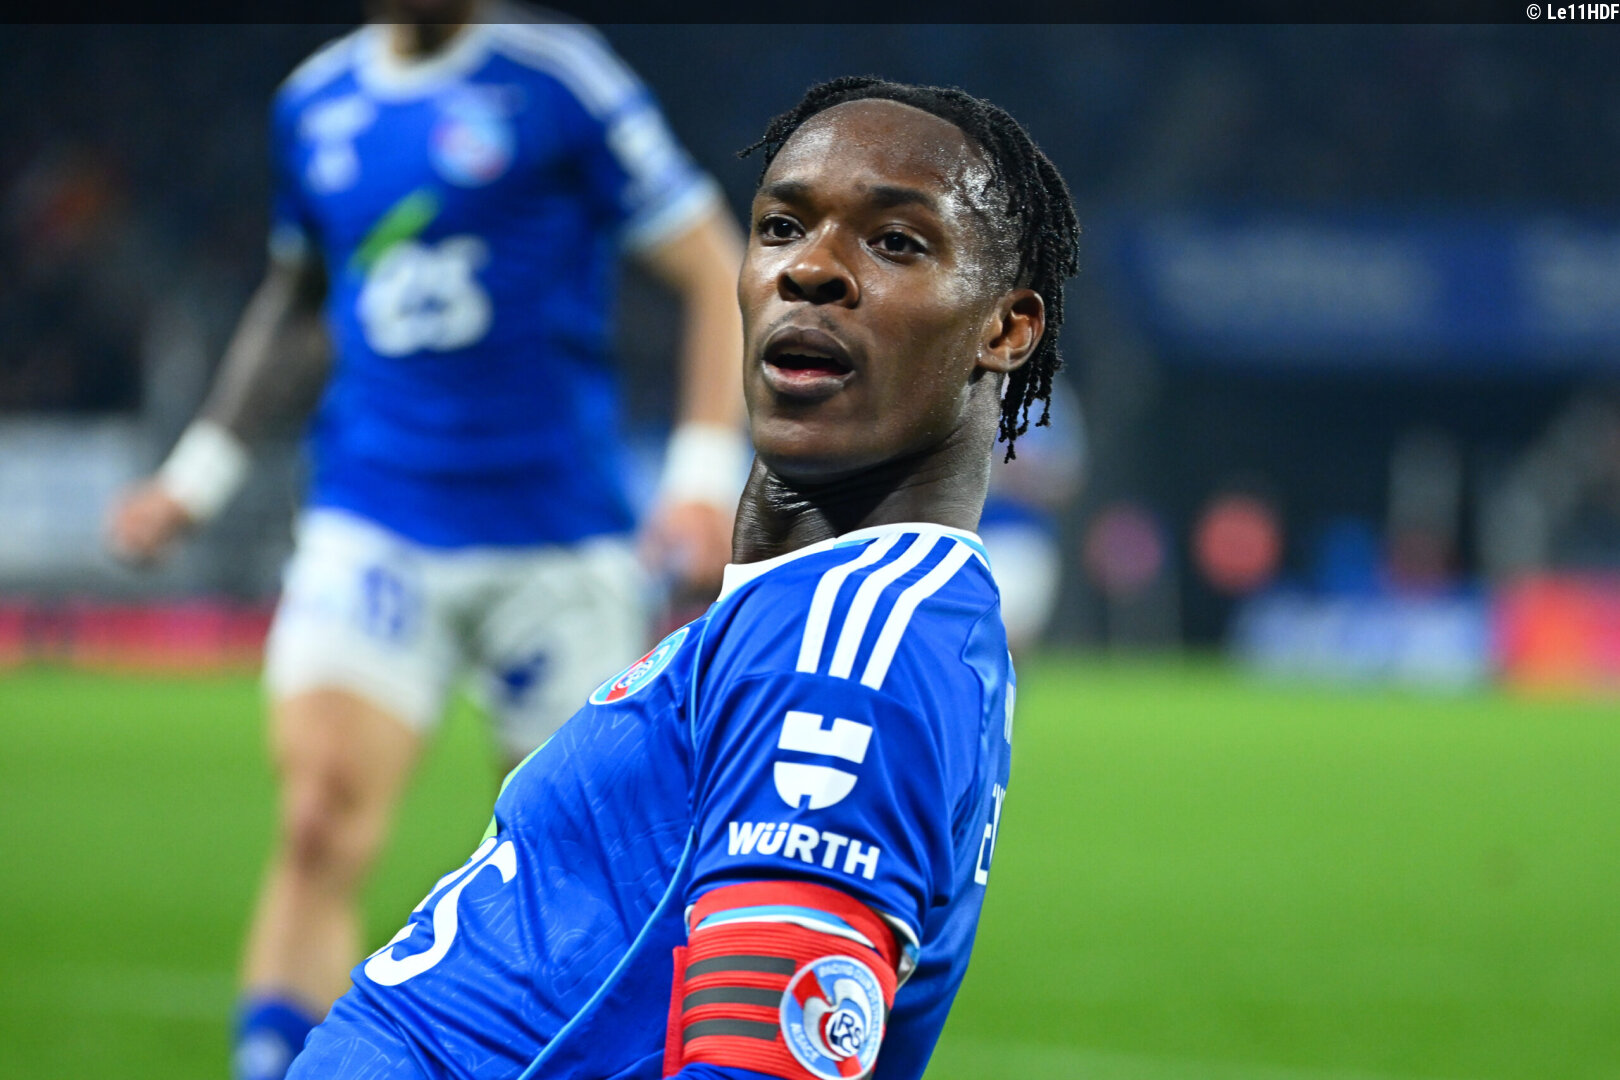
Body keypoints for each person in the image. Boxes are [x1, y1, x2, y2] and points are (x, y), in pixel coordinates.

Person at [284, 75, 1080, 1080]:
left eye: (895, 241)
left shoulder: (846, 649)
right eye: (782, 226)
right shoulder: (813, 611)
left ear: (1005, 331)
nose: (811, 269)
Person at [103, 6, 747, 1079]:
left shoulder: (561, 80)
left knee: (580, 868)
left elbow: (712, 264)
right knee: (318, 821)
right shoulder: (316, 103)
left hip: (559, 540)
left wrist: (698, 479)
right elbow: (301, 301)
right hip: (376, 519)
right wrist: (195, 480)